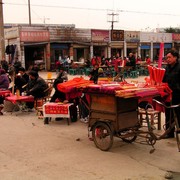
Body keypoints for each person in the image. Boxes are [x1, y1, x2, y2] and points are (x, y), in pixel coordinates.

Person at [162, 48, 180, 138]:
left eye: (169, 57)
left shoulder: (179, 67)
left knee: (178, 113)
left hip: (178, 94)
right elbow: (163, 79)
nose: (168, 59)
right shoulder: (167, 68)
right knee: (168, 113)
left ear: (175, 57)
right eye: (167, 58)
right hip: (168, 94)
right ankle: (169, 132)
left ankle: (178, 129)